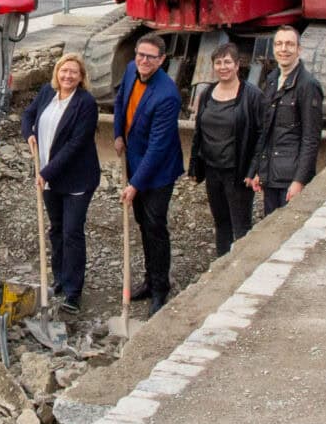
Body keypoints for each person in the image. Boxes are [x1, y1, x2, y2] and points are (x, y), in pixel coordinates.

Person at [20, 53, 101, 313]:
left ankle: (74, 292)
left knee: (72, 232)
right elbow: (28, 115)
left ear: (81, 77)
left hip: (76, 178)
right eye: (64, 71)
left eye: (73, 72)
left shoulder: (86, 103)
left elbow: (75, 145)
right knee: (56, 230)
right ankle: (59, 280)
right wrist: (29, 134)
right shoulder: (47, 93)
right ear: (57, 73)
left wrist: (47, 173)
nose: (68, 76)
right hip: (49, 178)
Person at [113, 33, 184, 315]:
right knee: (142, 222)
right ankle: (148, 278)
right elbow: (120, 100)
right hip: (134, 158)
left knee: (154, 226)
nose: (143, 61)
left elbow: (157, 147)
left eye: (150, 57)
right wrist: (118, 133)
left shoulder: (167, 95)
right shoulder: (132, 70)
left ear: (162, 60)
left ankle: (159, 288)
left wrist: (134, 185)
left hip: (158, 172)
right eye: (140, 55)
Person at [188, 43, 266, 257]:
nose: (223, 67)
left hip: (237, 172)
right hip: (213, 170)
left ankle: (241, 267)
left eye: (227, 62)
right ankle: (221, 263)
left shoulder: (252, 96)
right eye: (218, 62)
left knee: (240, 225)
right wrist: (195, 166)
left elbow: (261, 135)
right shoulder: (206, 93)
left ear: (237, 65)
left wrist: (254, 170)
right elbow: (198, 133)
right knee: (221, 222)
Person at [251, 25, 324, 215]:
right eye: (279, 44)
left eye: (289, 44)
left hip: (290, 178)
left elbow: (311, 138)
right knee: (270, 229)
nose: (284, 49)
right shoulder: (273, 80)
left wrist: (299, 181)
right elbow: (266, 131)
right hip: (272, 175)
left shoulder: (308, 86)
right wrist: (260, 170)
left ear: (299, 49)